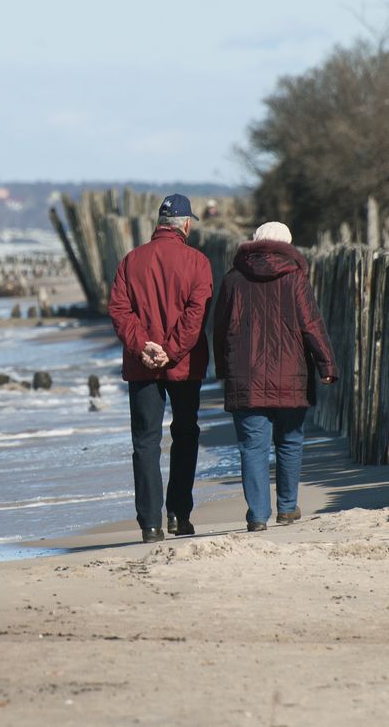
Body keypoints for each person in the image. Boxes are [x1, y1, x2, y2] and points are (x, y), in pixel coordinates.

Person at [214, 221, 338, 531]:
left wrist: (222, 369)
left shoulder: (233, 280)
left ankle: (257, 516)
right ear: (287, 245)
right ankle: (286, 508)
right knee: (289, 442)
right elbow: (311, 324)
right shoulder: (294, 278)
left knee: (252, 447)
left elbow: (219, 330)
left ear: (254, 241)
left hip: (245, 375)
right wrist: (327, 365)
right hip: (290, 373)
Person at [108, 194, 214, 543]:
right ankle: (178, 515)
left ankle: (150, 524)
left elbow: (120, 311)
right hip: (183, 364)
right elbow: (195, 316)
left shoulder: (130, 260)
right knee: (185, 434)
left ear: (159, 223)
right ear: (185, 224)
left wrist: (143, 347)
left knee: (146, 442)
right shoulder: (197, 262)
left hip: (143, 366)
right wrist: (170, 351)